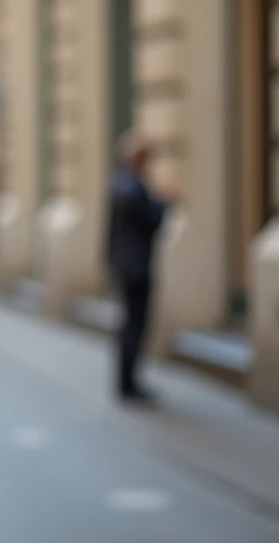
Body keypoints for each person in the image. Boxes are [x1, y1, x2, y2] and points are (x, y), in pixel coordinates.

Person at [106, 130, 173, 404]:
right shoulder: (135, 188)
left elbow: (110, 230)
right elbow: (150, 222)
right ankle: (130, 384)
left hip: (124, 266)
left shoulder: (119, 184)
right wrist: (164, 204)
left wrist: (109, 260)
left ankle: (125, 382)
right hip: (137, 270)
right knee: (135, 326)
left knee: (128, 326)